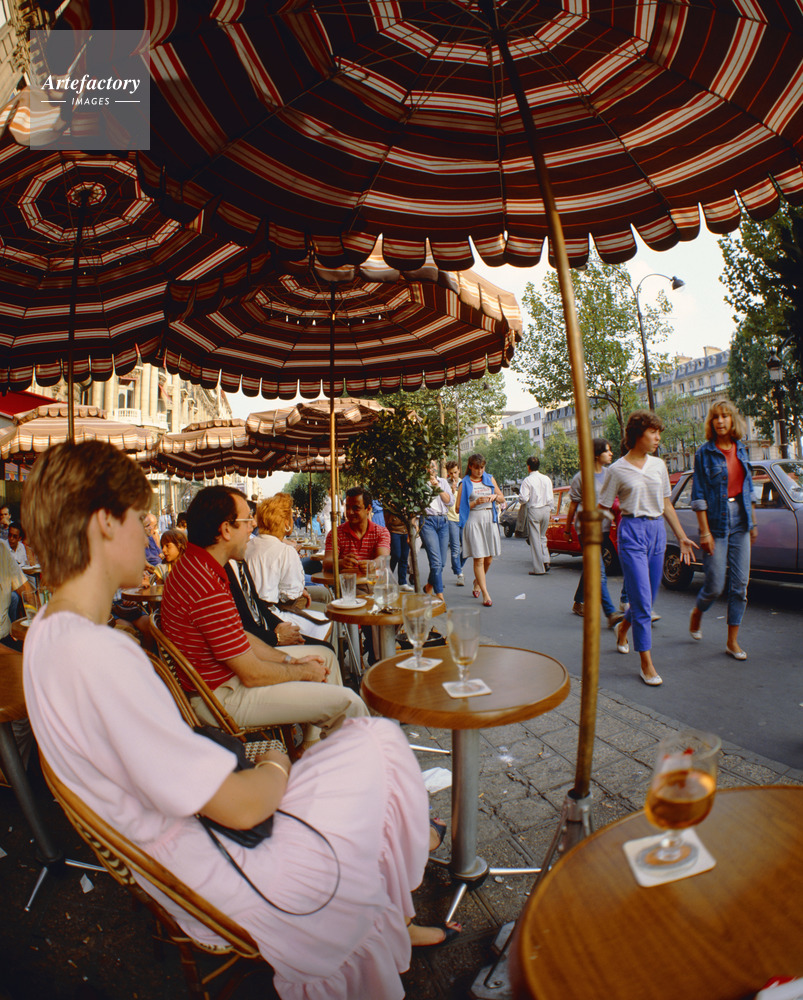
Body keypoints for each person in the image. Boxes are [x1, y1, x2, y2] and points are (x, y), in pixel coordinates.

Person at [21, 442, 458, 1000]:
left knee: (368, 749)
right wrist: (274, 760)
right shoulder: (98, 655)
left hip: (188, 853)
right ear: (106, 523)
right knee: (376, 741)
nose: (156, 534)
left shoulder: (49, 637)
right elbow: (242, 805)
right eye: (141, 518)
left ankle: (398, 875)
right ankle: (400, 865)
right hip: (223, 872)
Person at [161, 486, 368, 748]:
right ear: (226, 530)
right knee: (349, 704)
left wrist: (288, 660)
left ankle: (316, 749)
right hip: (220, 698)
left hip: (222, 682)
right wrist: (302, 671)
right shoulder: (205, 585)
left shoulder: (198, 566)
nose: (253, 527)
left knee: (324, 657)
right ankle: (340, 773)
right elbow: (252, 674)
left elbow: (240, 636)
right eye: (248, 521)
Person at [598, 411, 697, 686]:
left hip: (657, 532)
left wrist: (681, 535)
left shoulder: (659, 466)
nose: (658, 438)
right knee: (641, 600)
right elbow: (604, 507)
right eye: (653, 432)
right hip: (631, 532)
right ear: (638, 434)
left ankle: (623, 629)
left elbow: (666, 504)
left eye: (658, 433)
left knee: (648, 599)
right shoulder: (616, 469)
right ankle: (646, 663)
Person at [689, 400, 757, 661]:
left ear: (732, 421)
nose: (720, 421)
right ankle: (698, 611)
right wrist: (704, 532)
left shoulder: (741, 449)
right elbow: (698, 496)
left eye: (725, 416)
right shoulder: (703, 453)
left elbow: (748, 489)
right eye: (716, 417)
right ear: (711, 422)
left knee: (740, 585)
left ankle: (732, 641)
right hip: (716, 521)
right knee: (715, 586)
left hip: (741, 519)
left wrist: (753, 523)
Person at [564, 438, 623, 628]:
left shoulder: (610, 475)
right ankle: (610, 612)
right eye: (607, 451)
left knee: (592, 566)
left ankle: (578, 602)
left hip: (603, 528)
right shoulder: (581, 477)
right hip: (587, 528)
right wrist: (567, 529)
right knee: (599, 570)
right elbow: (573, 505)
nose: (611, 454)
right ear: (597, 454)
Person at [455, 454, 506, 607]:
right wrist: (475, 502)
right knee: (479, 558)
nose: (479, 471)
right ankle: (485, 593)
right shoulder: (464, 483)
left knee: (489, 559)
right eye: (476, 468)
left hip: (489, 519)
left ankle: (477, 582)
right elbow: (458, 508)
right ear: (470, 466)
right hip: (473, 520)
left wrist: (494, 496)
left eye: (482, 468)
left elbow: (502, 498)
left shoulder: (490, 479)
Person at [323, 486, 390, 574]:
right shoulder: (335, 534)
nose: (350, 512)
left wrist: (373, 564)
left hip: (372, 585)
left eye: (356, 508)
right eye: (347, 507)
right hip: (345, 586)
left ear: (368, 509)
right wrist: (341, 563)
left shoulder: (381, 532)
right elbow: (327, 562)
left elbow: (383, 558)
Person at [420, 460, 453, 602]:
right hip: (427, 522)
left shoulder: (443, 482)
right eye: (428, 466)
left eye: (433, 466)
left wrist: (438, 487)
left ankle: (429, 586)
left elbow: (450, 502)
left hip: (443, 522)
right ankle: (439, 595)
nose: (431, 469)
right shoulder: (420, 484)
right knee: (435, 562)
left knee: (442, 562)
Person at [518, 456, 553, 575]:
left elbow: (524, 498)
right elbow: (551, 497)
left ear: (528, 467)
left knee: (535, 539)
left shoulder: (527, 480)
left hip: (534, 510)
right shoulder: (546, 479)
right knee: (543, 537)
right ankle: (546, 560)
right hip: (546, 509)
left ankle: (539, 568)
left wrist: (520, 499)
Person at [445, 460, 465, 586]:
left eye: (456, 472)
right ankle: (459, 574)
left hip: (463, 519)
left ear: (459, 471)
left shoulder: (463, 483)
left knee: (469, 547)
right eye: (451, 473)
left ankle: (457, 565)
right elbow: (446, 502)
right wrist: (452, 491)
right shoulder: (445, 484)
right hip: (451, 519)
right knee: (455, 548)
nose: (454, 476)